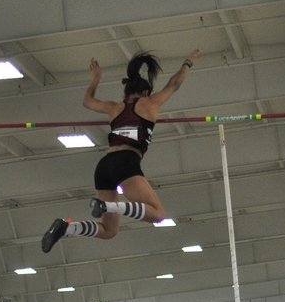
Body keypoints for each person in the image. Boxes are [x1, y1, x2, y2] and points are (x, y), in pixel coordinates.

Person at [41, 49, 201, 252]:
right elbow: (174, 84)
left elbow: (87, 101)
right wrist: (188, 62)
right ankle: (106, 207)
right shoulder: (149, 103)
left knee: (109, 231)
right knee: (158, 214)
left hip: (105, 165)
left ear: (125, 93)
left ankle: (66, 227)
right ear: (145, 93)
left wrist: (96, 78)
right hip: (125, 162)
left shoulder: (113, 107)